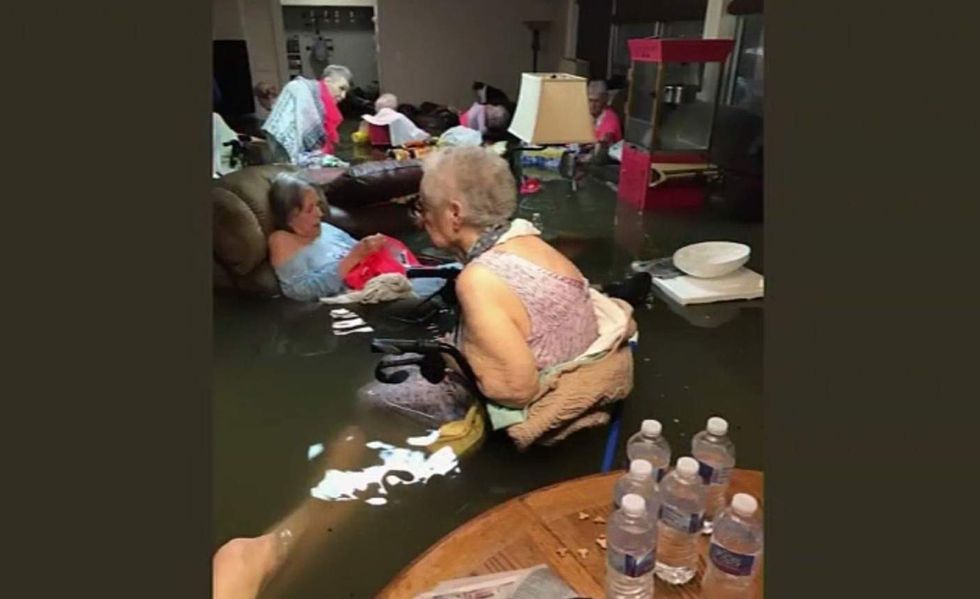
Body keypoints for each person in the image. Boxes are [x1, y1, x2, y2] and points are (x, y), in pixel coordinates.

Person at [267, 173, 450, 302]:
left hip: (389, 278)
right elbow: (298, 292)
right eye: (310, 209)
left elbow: (362, 255)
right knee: (452, 283)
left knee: (454, 272)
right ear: (290, 215)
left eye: (318, 205)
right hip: (365, 297)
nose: (320, 213)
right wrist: (353, 258)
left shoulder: (325, 228)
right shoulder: (282, 240)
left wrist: (371, 248)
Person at [262, 65, 353, 163]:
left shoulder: (327, 108)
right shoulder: (301, 89)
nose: (343, 96)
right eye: (341, 88)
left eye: (346, 92)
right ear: (327, 81)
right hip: (288, 154)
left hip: (311, 160)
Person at [356, 93, 430, 146]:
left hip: (374, 149)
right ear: (395, 106)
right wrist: (427, 136)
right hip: (395, 150)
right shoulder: (398, 117)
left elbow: (360, 138)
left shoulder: (368, 120)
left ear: (376, 107)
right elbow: (415, 133)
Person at [587, 79, 622, 145]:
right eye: (590, 100)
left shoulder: (611, 118)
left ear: (604, 100)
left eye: (596, 101)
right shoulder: (590, 115)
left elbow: (604, 142)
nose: (592, 105)